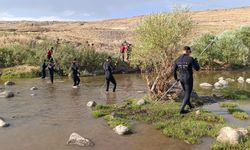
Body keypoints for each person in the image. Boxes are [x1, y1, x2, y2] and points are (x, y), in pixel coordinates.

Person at [173, 46, 200, 114]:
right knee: (188, 93)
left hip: (181, 79)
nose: (190, 53)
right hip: (188, 79)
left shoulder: (177, 59)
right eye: (190, 52)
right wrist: (196, 62)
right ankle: (181, 109)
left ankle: (190, 105)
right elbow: (197, 68)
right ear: (188, 51)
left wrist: (176, 78)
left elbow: (174, 71)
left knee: (186, 93)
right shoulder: (190, 59)